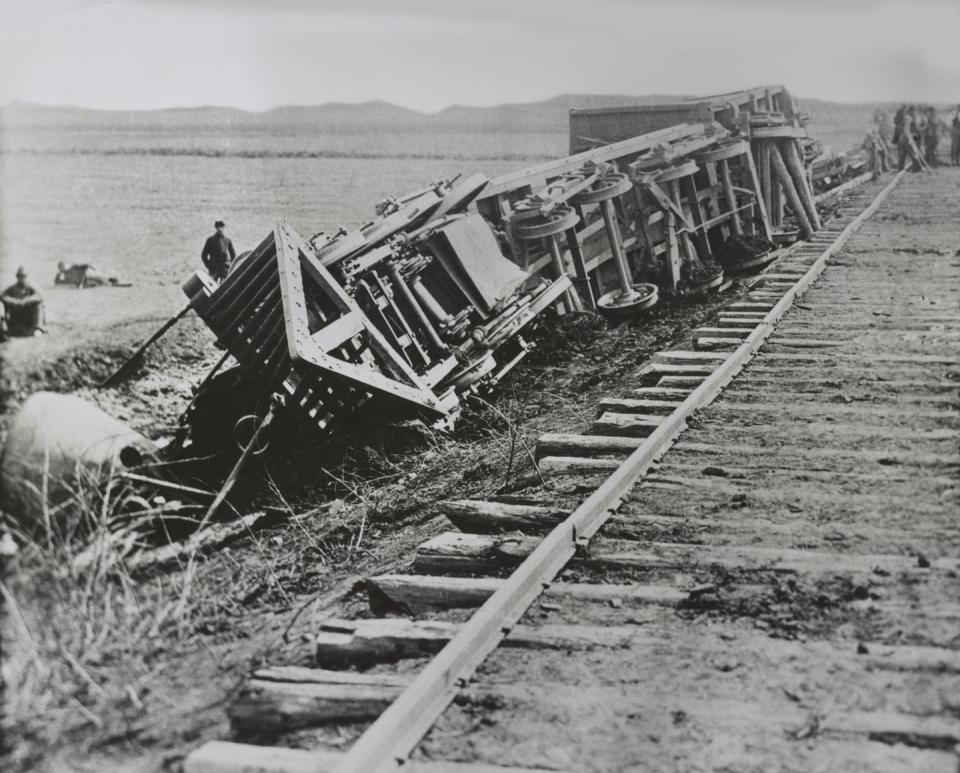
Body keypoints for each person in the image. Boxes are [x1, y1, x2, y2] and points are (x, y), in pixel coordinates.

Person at [1, 267, 45, 338]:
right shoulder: (12, 288)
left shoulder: (31, 287)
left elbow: (40, 296)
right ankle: (4, 328)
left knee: (39, 304)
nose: (22, 278)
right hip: (16, 315)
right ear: (17, 277)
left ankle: (38, 328)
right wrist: (14, 301)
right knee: (2, 304)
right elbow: (2, 296)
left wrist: (26, 300)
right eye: (20, 276)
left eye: (24, 276)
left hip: (28, 315)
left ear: (27, 277)